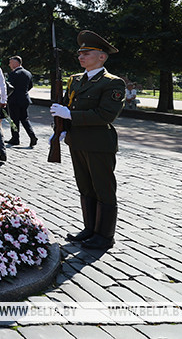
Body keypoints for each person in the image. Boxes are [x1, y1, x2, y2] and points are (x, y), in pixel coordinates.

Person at [51, 30, 126, 250]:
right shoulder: (75, 80)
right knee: (85, 186)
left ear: (102, 56)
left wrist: (70, 116)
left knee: (103, 188)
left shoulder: (113, 83)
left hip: (99, 143)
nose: (81, 57)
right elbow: (64, 108)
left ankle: (104, 236)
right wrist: (60, 129)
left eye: (87, 53)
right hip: (77, 142)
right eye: (79, 53)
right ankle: (90, 229)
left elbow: (106, 115)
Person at [5, 56, 38, 147]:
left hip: (14, 100)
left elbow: (9, 88)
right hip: (25, 99)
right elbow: (30, 86)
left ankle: (15, 138)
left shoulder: (14, 74)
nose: (9, 65)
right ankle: (32, 136)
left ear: (16, 63)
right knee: (24, 119)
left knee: (14, 120)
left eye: (11, 62)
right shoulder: (28, 73)